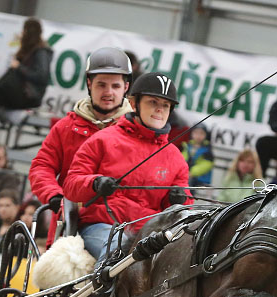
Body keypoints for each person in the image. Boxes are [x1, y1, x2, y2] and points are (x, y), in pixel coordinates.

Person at [63, 72, 191, 261]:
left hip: (149, 234)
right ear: (133, 104)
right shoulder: (102, 140)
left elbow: (182, 210)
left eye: (165, 105)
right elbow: (71, 185)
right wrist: (95, 183)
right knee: (119, 253)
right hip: (102, 227)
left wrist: (178, 201)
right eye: (153, 102)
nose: (159, 110)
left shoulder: (176, 158)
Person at [28, 47, 133, 215]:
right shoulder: (66, 127)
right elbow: (41, 166)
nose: (108, 92)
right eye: (101, 85)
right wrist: (54, 195)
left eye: (115, 86)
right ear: (89, 84)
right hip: (70, 223)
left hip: (118, 225)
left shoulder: (135, 132)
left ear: (126, 87)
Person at [0, 18, 52, 140]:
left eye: (23, 30)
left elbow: (41, 76)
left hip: (29, 96)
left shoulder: (41, 52)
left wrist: (19, 67)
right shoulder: (30, 50)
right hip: (20, 93)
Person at [181, 123, 214, 188]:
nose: (198, 136)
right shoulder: (186, 146)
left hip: (199, 180)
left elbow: (207, 165)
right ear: (191, 133)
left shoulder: (207, 149)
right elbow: (181, 159)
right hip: (184, 175)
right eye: (196, 133)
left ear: (206, 135)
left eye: (201, 133)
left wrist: (192, 173)